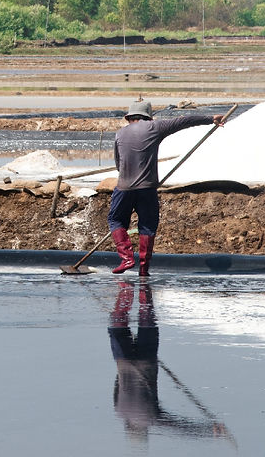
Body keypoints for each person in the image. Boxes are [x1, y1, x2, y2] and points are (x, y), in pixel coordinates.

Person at [110, 101, 226, 276]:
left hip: (124, 187)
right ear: (149, 117)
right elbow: (183, 121)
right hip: (148, 188)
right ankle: (143, 269)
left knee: (116, 220)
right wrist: (211, 119)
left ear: (129, 118)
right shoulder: (155, 127)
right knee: (147, 226)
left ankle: (126, 257)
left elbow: (119, 164)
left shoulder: (120, 134)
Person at [108, 281, 230, 444]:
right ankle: (126, 289)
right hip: (123, 361)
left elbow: (179, 427)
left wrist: (209, 430)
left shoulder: (149, 419)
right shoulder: (120, 412)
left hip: (146, 360)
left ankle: (143, 289)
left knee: (147, 320)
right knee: (118, 323)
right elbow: (117, 385)